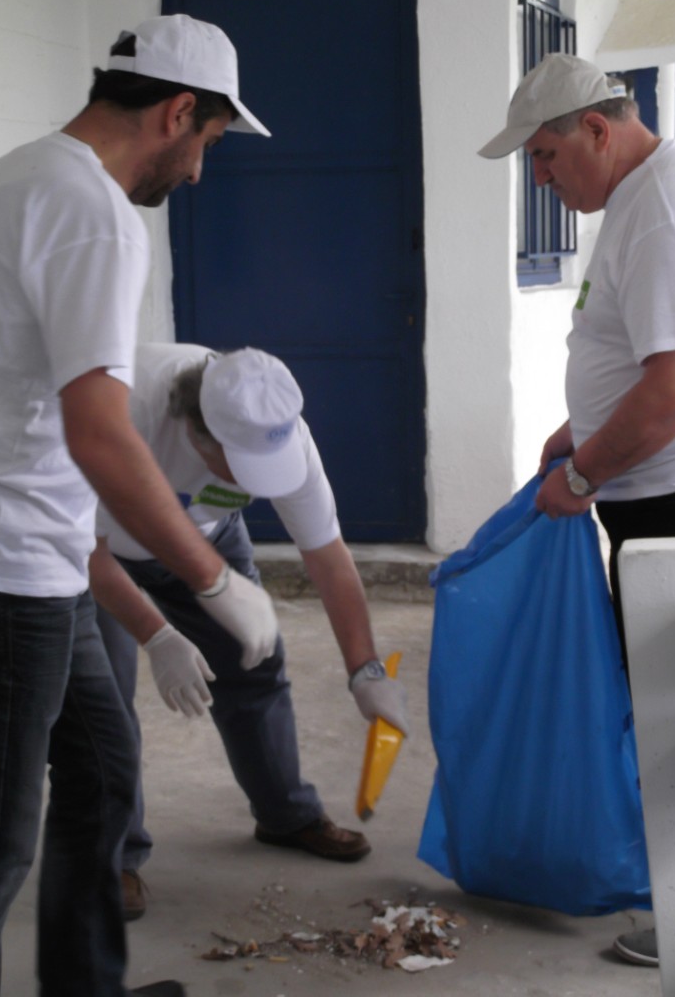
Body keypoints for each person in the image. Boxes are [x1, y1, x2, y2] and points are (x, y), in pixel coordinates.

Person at [0, 12, 282, 997]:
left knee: (103, 768)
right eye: (208, 143)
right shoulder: (96, 213)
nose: (198, 172)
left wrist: (155, 627)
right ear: (176, 111)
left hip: (45, 553)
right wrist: (214, 581)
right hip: (11, 568)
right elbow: (99, 432)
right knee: (3, 839)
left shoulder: (21, 174)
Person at [479, 52, 675, 969]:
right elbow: (646, 356)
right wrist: (583, 429)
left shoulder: (669, 204)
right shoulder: (643, 198)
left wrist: (584, 475)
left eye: (545, 155)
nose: (541, 178)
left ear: (597, 130)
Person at [88, 342, 409, 919]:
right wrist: (156, 634)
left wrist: (365, 669)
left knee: (256, 663)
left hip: (206, 540)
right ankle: (113, 859)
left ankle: (285, 815)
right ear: (197, 435)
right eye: (241, 466)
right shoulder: (121, 410)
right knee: (102, 703)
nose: (258, 485)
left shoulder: (279, 425)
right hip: (101, 554)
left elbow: (328, 556)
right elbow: (78, 549)